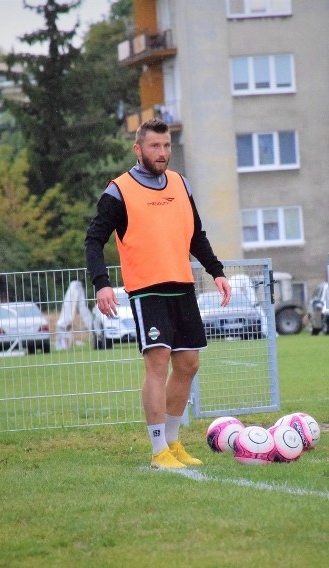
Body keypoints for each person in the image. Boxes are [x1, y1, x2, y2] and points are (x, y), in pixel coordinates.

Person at [85, 118, 231, 469]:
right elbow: (94, 240)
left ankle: (173, 441)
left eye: (166, 146)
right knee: (158, 363)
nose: (162, 152)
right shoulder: (119, 190)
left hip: (182, 285)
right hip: (146, 290)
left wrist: (217, 271)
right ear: (138, 149)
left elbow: (197, 234)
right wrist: (102, 282)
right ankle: (157, 451)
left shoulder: (181, 184)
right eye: (155, 146)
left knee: (188, 364)